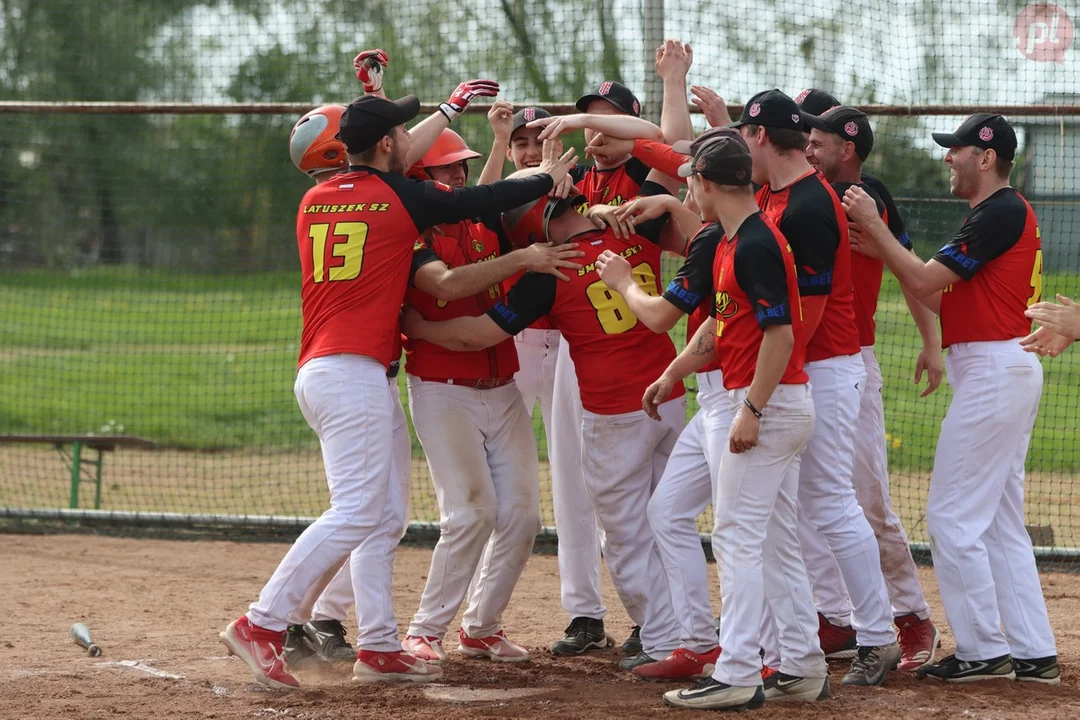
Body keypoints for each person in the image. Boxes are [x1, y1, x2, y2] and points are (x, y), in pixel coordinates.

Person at [218, 90, 577, 689]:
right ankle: (262, 622)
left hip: (340, 371)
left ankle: (380, 644)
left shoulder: (314, 198)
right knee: (358, 510)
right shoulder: (396, 195)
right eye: (404, 133)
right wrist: (543, 173)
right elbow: (482, 198)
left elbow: (390, 156)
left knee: (383, 516)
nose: (416, 140)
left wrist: (448, 108)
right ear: (387, 144)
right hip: (352, 372)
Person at [401, 191, 689, 674]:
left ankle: (663, 638)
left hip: (614, 413)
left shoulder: (548, 273)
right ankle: (693, 629)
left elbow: (478, 335)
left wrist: (419, 329)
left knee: (625, 536)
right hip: (670, 398)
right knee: (670, 523)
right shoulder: (631, 233)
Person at [843, 113, 1059, 685]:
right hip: (996, 364)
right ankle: (1033, 652)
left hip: (995, 368)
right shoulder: (993, 215)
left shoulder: (1000, 211)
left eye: (957, 150)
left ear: (986, 158)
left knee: (950, 516)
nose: (948, 158)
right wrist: (885, 246)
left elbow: (920, 282)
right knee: (997, 522)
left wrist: (876, 226)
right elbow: (944, 298)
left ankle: (984, 649)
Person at [734, 89, 899, 686]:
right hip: (803, 364)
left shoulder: (808, 203)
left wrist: (766, 382)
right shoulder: (775, 194)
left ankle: (878, 638)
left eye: (741, 135)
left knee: (829, 501)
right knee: (794, 508)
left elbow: (808, 311)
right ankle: (793, 640)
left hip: (823, 365)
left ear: (759, 136)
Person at [400, 129, 583, 664]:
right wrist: (525, 259)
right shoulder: (413, 232)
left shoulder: (483, 221)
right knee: (471, 512)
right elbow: (450, 285)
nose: (457, 175)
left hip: (501, 386)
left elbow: (526, 207)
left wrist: (551, 186)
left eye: (462, 167)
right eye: (445, 169)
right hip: (443, 391)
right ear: (419, 179)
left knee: (523, 516)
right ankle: (425, 630)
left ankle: (481, 625)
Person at [659, 130, 827, 711]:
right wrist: (675, 373)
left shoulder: (754, 241)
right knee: (773, 540)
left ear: (707, 182)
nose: (690, 193)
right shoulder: (733, 239)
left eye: (692, 183)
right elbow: (724, 327)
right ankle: (803, 664)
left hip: (767, 405)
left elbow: (781, 336)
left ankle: (736, 671)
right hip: (769, 404)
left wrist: (751, 410)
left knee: (736, 538)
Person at [800, 104, 942, 671]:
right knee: (806, 501)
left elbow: (913, 272)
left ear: (847, 147)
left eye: (816, 137)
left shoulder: (866, 198)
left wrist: (931, 342)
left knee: (867, 497)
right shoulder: (797, 194)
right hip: (799, 358)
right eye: (802, 135)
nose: (807, 146)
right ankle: (835, 616)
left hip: (848, 360)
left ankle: (910, 616)